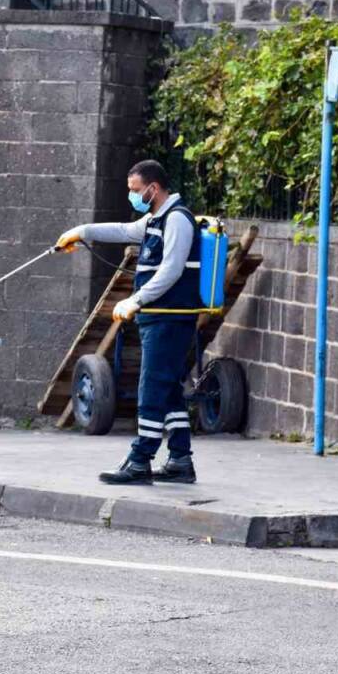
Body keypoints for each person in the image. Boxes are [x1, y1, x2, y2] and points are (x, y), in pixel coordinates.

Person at [54, 160, 202, 485]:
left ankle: (139, 461)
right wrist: (82, 232)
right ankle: (180, 460)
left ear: (153, 188)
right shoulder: (155, 218)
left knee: (151, 388)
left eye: (136, 190)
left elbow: (171, 270)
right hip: (158, 317)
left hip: (170, 318)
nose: (132, 196)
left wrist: (136, 299)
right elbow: (123, 230)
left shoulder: (177, 219)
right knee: (169, 389)